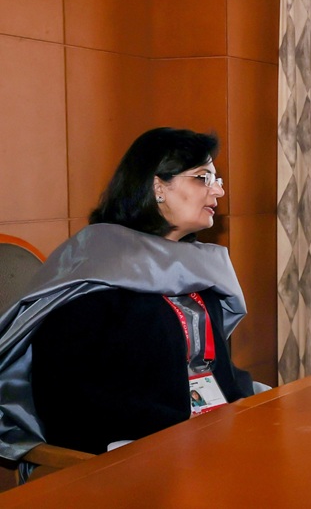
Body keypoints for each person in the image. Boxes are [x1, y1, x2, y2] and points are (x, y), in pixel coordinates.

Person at [0, 127, 258, 462]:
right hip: (128, 455)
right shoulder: (97, 269)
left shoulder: (196, 269)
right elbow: (71, 398)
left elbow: (212, 372)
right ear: (158, 186)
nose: (219, 190)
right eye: (203, 177)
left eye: (217, 179)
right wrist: (190, 434)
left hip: (205, 436)